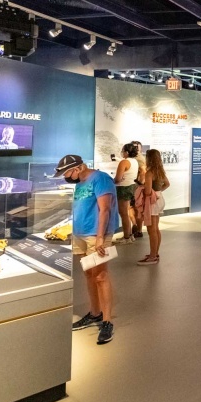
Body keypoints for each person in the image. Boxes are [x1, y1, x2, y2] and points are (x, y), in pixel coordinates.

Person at [55, 154, 120, 345]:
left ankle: (107, 321)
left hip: (96, 235)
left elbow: (105, 209)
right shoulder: (80, 183)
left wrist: (100, 238)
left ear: (79, 168)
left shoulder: (100, 179)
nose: (66, 176)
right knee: (89, 274)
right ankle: (94, 313)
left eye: (67, 172)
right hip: (80, 234)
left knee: (101, 276)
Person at [136, 149, 170, 266]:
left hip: (152, 202)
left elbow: (148, 191)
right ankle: (155, 253)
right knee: (156, 228)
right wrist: (159, 191)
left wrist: (141, 188)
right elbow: (167, 184)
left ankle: (152, 256)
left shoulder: (149, 173)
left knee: (152, 230)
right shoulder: (160, 171)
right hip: (160, 199)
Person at [113, 143, 139, 244]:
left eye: (123, 151)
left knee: (123, 213)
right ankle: (129, 235)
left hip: (123, 188)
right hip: (131, 187)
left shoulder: (124, 162)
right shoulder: (135, 161)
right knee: (126, 213)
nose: (122, 153)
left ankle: (126, 237)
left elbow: (118, 179)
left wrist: (113, 180)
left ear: (127, 152)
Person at [131, 140, 147, 238]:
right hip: (135, 185)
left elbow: (143, 172)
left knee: (136, 208)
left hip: (136, 186)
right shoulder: (136, 158)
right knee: (133, 208)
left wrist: (140, 184)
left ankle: (137, 228)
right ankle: (136, 228)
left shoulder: (139, 159)